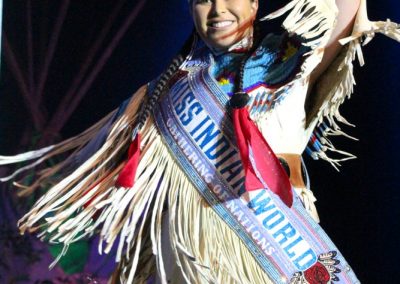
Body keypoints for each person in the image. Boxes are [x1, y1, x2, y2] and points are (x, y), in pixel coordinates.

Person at [1, 0, 399, 283]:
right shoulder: (164, 91)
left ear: (255, 3)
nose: (217, 10)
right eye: (203, 0)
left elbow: (342, 8)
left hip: (272, 255)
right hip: (183, 263)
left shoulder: (289, 63)